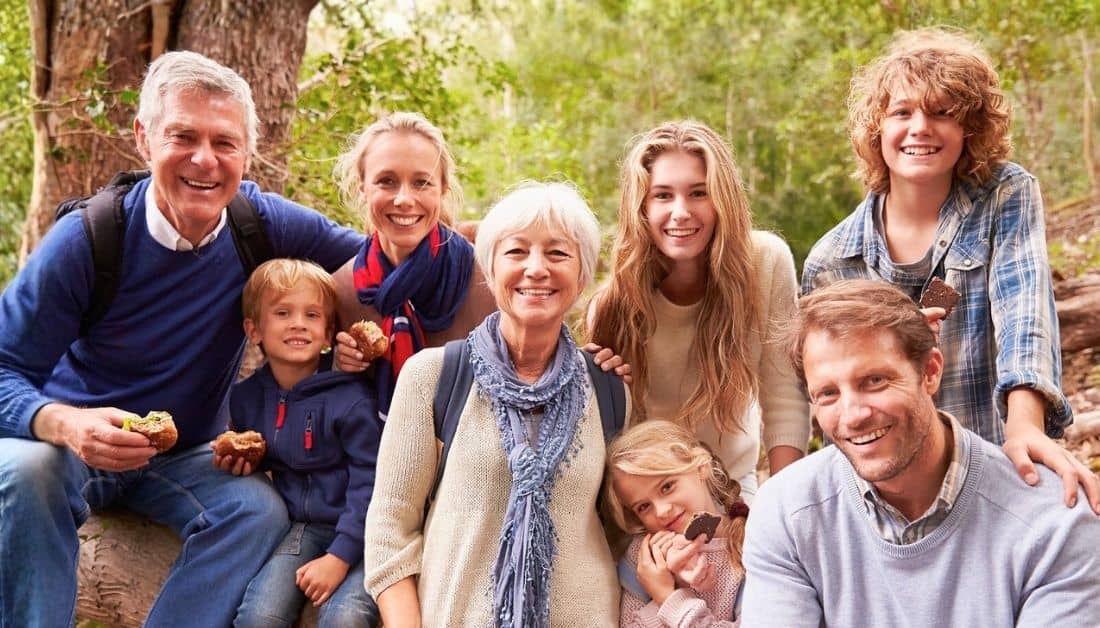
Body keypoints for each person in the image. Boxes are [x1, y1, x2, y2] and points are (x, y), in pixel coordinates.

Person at [0, 51, 362, 626]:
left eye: (225, 143)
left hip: (185, 453)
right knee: (24, 473)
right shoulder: (88, 240)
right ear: (144, 139)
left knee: (257, 511)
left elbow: (381, 259)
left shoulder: (259, 224)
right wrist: (64, 423)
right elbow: (3, 368)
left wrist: (501, 248)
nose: (205, 160)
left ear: (246, 152)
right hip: (75, 445)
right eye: (183, 136)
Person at [800, 27, 1100, 512]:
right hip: (891, 491)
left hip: (997, 460)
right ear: (877, 131)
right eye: (902, 113)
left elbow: (1024, 312)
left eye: (943, 113)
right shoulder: (833, 260)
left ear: (970, 129)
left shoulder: (1005, 195)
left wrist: (1023, 425)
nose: (920, 127)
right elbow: (828, 396)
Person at [741, 279, 1100, 627]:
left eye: (875, 381)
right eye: (828, 394)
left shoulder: (1055, 524)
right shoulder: (787, 512)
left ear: (929, 372)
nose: (853, 416)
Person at [363, 182, 624, 627]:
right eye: (517, 252)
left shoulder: (608, 388)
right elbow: (390, 530)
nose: (536, 269)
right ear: (490, 267)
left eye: (558, 254)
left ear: (582, 275)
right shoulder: (435, 376)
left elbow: (621, 528)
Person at [330, 112, 628, 411]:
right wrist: (341, 367)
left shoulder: (492, 278)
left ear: (443, 189)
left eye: (422, 182)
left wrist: (595, 371)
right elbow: (321, 401)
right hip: (376, 454)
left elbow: (545, 368)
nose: (404, 199)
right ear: (362, 187)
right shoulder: (342, 289)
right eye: (386, 181)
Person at [584, 120, 809, 503]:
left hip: (736, 491)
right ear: (641, 206)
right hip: (651, 505)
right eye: (663, 196)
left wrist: (782, 509)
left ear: (723, 198)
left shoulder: (765, 262)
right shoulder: (615, 303)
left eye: (698, 193)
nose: (681, 212)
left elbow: (783, 392)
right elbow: (613, 437)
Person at [216, 259, 381, 628]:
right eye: (283, 312)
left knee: (345, 618)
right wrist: (247, 464)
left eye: (311, 315)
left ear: (327, 334)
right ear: (254, 330)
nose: (298, 323)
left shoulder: (351, 400)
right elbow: (273, 454)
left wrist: (339, 557)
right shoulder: (246, 399)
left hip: (366, 533)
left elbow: (372, 481)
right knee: (259, 617)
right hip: (303, 528)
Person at [606, 420, 747, 627]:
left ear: (702, 467)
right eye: (644, 506)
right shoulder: (643, 559)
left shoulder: (749, 546)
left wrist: (668, 597)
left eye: (667, 487)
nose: (662, 511)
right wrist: (670, 586)